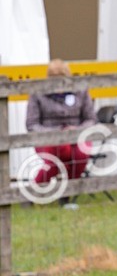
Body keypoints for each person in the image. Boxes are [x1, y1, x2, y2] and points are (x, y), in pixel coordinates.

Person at [25, 59, 97, 203]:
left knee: (81, 154)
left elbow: (91, 120)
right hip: (47, 139)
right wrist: (56, 133)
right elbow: (32, 124)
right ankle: (31, 195)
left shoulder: (81, 92)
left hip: (77, 137)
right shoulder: (37, 94)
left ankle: (65, 195)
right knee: (58, 157)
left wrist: (76, 130)